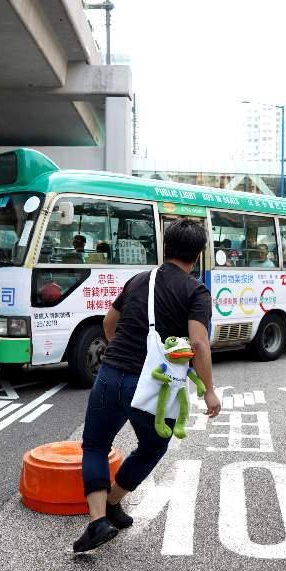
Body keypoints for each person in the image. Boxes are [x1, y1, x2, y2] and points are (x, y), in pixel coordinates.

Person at [73, 219, 222, 553]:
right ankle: (113, 501)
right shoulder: (196, 291)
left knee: (96, 444)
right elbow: (198, 344)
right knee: (153, 446)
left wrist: (119, 352)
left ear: (165, 247)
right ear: (198, 255)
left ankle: (99, 519)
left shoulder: (140, 280)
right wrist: (209, 390)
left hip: (111, 375)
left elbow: (109, 323)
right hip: (155, 386)